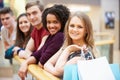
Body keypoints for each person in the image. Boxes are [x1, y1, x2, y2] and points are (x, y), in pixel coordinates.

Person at [18, 4, 70, 80]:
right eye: (49, 22)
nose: (51, 25)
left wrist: (31, 60)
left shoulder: (60, 36)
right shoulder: (51, 36)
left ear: (63, 22)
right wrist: (25, 63)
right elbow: (37, 54)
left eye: (55, 22)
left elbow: (42, 61)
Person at [44, 11, 100, 78]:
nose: (74, 29)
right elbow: (47, 64)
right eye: (72, 26)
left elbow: (58, 71)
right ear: (67, 28)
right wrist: (55, 72)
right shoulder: (66, 46)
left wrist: (68, 50)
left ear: (86, 30)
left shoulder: (84, 54)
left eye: (80, 27)